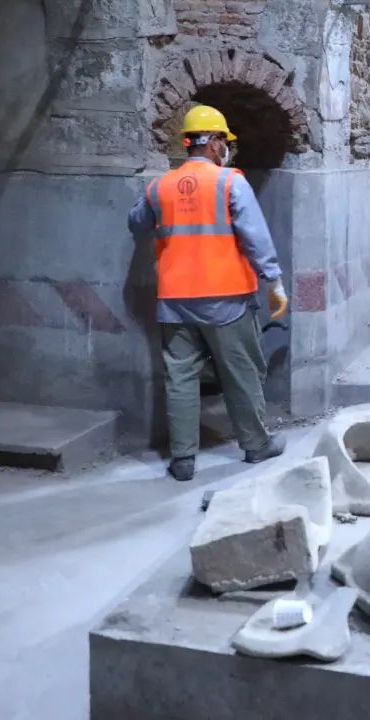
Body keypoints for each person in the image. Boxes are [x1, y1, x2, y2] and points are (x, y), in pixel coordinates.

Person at [128, 104, 290, 481]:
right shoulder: (230, 182)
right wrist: (274, 282)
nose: (226, 149)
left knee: (181, 378)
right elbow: (255, 236)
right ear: (214, 142)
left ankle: (183, 459)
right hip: (226, 299)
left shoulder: (161, 186)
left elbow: (136, 222)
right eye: (224, 141)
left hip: (175, 302)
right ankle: (256, 445)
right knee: (242, 372)